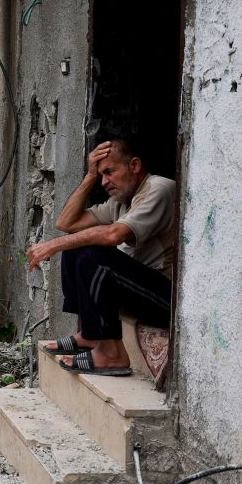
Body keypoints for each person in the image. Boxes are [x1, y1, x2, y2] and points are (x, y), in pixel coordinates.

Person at [24, 138, 175, 376]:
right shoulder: (120, 202)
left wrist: (53, 245)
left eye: (109, 172)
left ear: (134, 166)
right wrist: (89, 176)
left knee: (95, 255)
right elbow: (67, 223)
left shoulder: (159, 188)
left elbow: (115, 234)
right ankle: (89, 335)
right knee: (77, 245)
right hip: (138, 291)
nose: (105, 182)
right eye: (101, 175)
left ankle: (112, 353)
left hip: (166, 300)